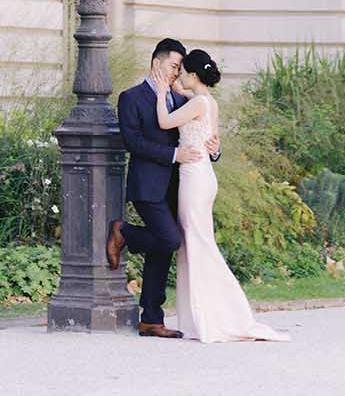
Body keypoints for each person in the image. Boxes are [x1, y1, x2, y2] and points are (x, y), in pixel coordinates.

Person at [153, 48, 289, 343]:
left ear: (192, 74)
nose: (177, 77)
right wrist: (174, 88)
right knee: (194, 245)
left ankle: (226, 314)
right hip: (203, 176)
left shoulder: (197, 102)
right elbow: (212, 140)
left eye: (181, 72)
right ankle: (200, 317)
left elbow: (165, 122)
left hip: (195, 178)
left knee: (199, 246)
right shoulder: (207, 102)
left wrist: (162, 92)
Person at [109, 37, 218, 339]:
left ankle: (151, 319)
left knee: (162, 249)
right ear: (157, 63)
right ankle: (123, 233)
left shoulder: (183, 98)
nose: (176, 73)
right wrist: (173, 155)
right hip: (148, 185)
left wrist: (214, 148)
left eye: (180, 68)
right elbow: (133, 143)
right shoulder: (131, 98)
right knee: (169, 239)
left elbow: (196, 134)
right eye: (173, 66)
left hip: (181, 185)